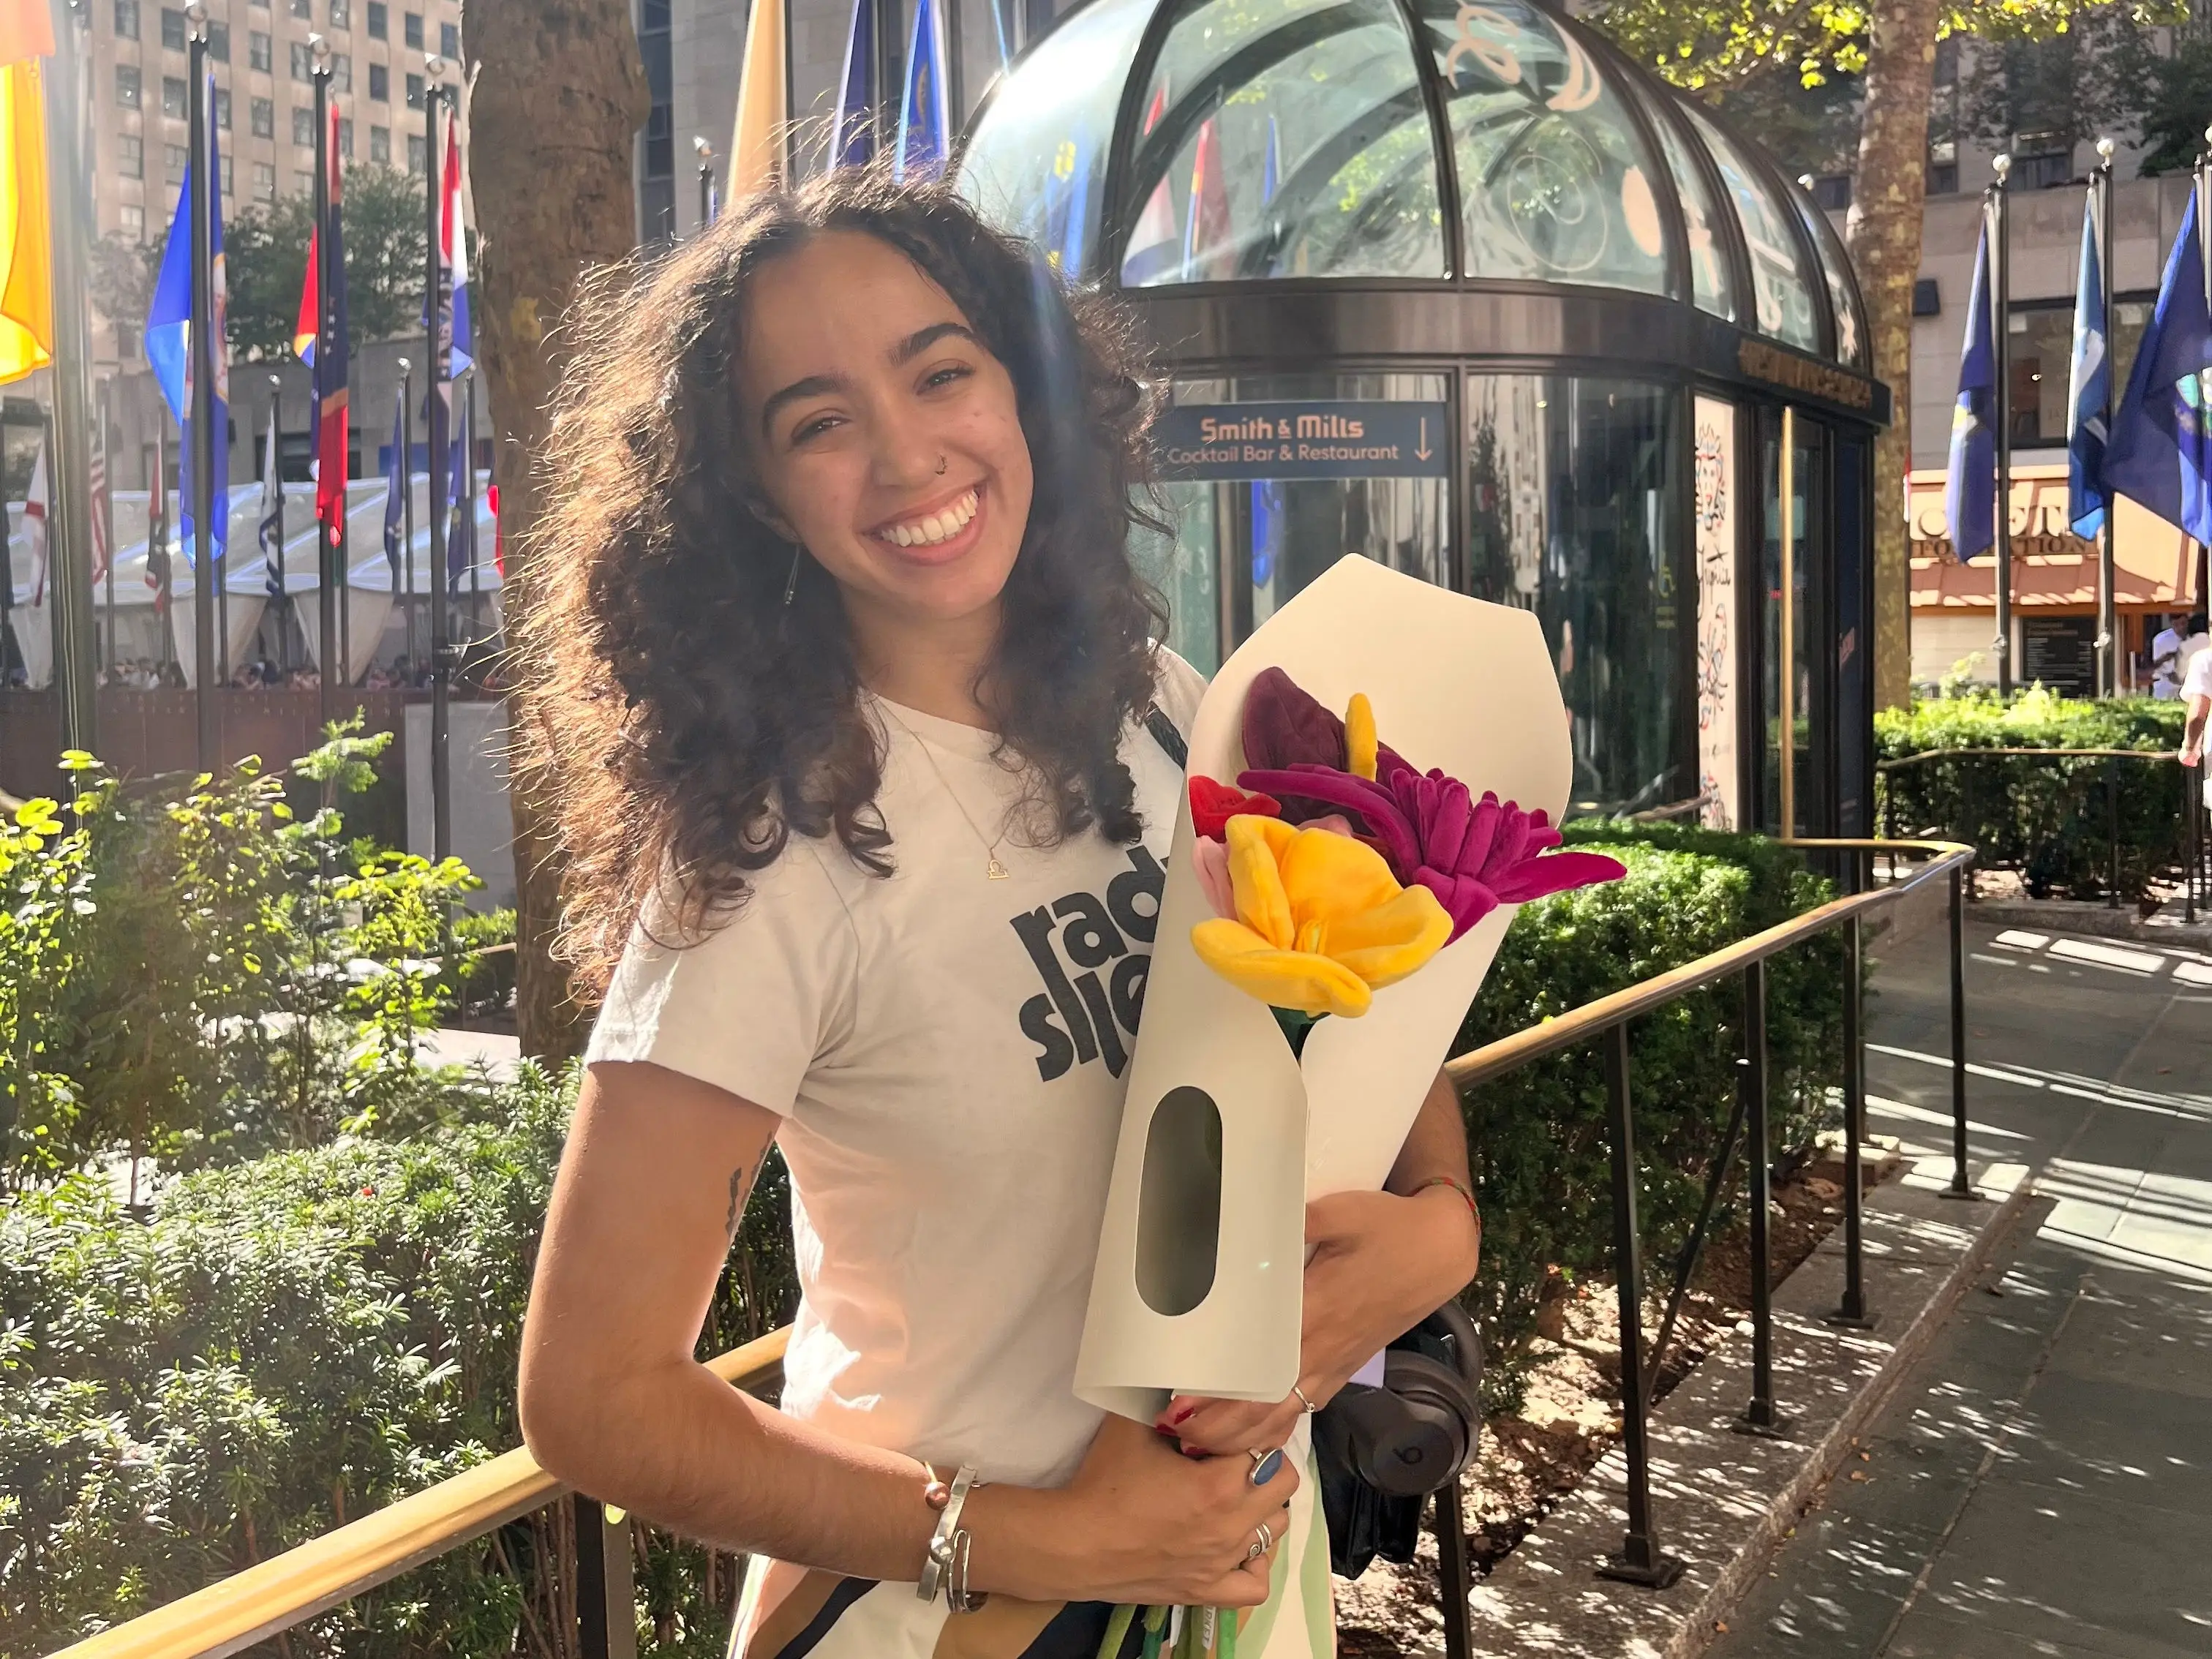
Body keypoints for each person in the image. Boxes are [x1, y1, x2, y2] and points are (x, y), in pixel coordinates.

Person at [511, 170, 1483, 1659]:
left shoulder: (1163, 714)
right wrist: (1035, 1537)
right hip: (957, 1617)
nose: (907, 455)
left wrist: (1437, 1233)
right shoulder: (769, 861)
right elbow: (593, 1397)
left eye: (941, 371)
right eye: (819, 422)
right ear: (759, 494)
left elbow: (1366, 1006)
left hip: (1233, 1574)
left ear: (1024, 385)